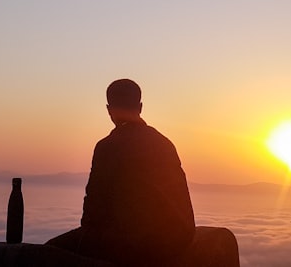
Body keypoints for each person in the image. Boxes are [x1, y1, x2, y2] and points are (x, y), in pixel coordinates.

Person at [47, 79, 196, 266]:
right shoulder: (164, 143)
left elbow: (93, 210)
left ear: (109, 110)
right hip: (179, 240)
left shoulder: (108, 146)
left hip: (139, 246)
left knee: (49, 251)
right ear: (140, 107)